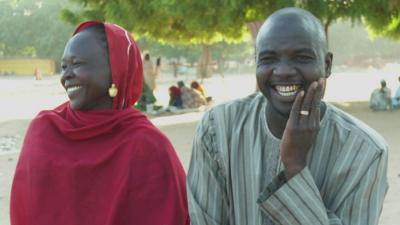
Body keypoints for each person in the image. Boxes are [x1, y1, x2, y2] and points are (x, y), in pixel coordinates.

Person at [187, 8, 388, 225]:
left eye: (301, 57)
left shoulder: (366, 152)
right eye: (268, 59)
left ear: (327, 65)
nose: (282, 71)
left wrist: (295, 166)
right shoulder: (217, 129)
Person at [11, 21, 189, 225]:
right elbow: (26, 213)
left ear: (116, 69)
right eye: (64, 66)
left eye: (76, 64)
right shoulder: (45, 131)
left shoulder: (147, 146)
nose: (65, 76)